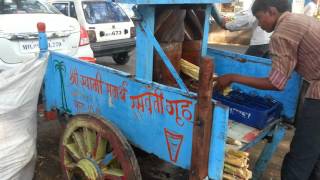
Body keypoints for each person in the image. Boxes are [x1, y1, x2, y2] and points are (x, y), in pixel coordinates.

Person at [214, 0, 320, 179]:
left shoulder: (282, 33)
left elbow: (277, 83)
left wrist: (232, 77)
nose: (259, 24)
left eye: (259, 18)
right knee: (315, 155)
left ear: (271, 11)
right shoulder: (300, 20)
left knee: (300, 158)